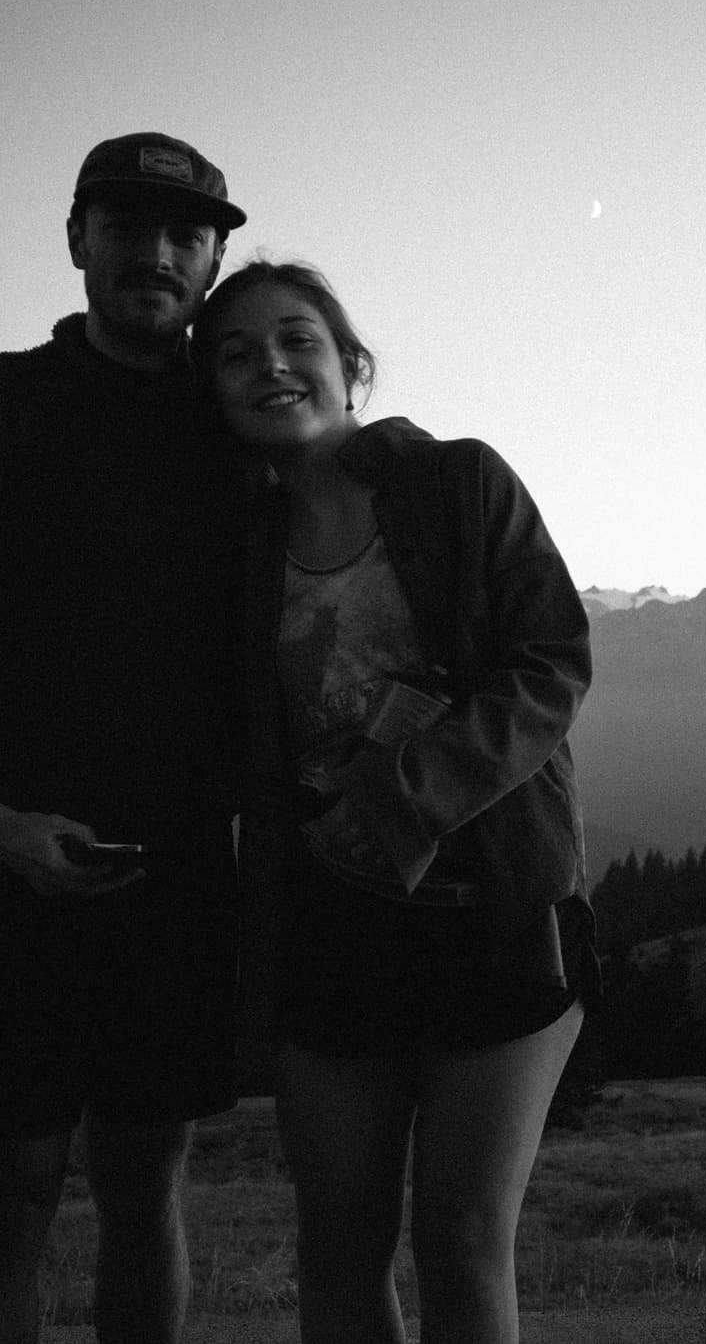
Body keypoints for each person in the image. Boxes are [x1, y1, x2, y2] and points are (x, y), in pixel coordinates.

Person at [0, 131, 247, 1344]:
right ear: (75, 240)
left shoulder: (240, 428)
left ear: (214, 257)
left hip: (179, 881)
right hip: (4, 877)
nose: (157, 252)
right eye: (126, 225)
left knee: (147, 1186)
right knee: (5, 1197)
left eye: (187, 232)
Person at [200, 259, 598, 1344]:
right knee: (337, 1247)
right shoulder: (232, 550)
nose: (270, 365)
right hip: (328, 929)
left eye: (297, 341)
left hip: (495, 915)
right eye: (235, 354)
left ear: (349, 367)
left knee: (461, 1245)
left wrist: (406, 801)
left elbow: (550, 663)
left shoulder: (458, 486)